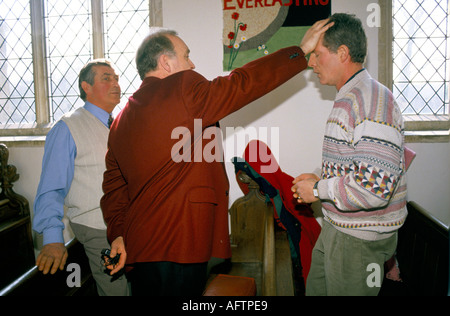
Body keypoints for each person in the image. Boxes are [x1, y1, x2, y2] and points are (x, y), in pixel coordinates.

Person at [100, 21, 333, 296]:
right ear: (165, 62)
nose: (193, 64)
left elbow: (114, 187)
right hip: (181, 244)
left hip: (139, 251)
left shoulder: (120, 120)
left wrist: (118, 233)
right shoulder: (182, 88)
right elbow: (242, 84)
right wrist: (300, 50)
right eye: (186, 56)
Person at [291, 13, 408, 296]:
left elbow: (374, 188)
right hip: (341, 228)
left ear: (342, 53)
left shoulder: (372, 101)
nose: (310, 63)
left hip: (357, 240)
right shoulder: (353, 95)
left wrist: (318, 190)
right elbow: (356, 164)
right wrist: (320, 177)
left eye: (317, 54)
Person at [33, 59, 129, 296]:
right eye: (106, 78)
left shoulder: (120, 124)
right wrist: (52, 238)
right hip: (96, 227)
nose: (115, 83)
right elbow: (52, 188)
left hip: (124, 225)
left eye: (116, 78)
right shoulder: (67, 127)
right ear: (86, 87)